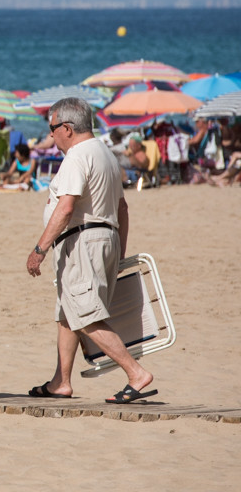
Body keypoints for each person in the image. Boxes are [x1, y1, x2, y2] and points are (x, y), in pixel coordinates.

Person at [25, 97, 155, 404]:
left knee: (85, 315)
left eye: (53, 127)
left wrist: (40, 248)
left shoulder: (77, 155)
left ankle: (136, 373)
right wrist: (118, 250)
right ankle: (61, 381)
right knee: (68, 313)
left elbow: (66, 207)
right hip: (104, 237)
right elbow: (123, 208)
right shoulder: (105, 153)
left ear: (67, 128)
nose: (51, 134)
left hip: (83, 240)